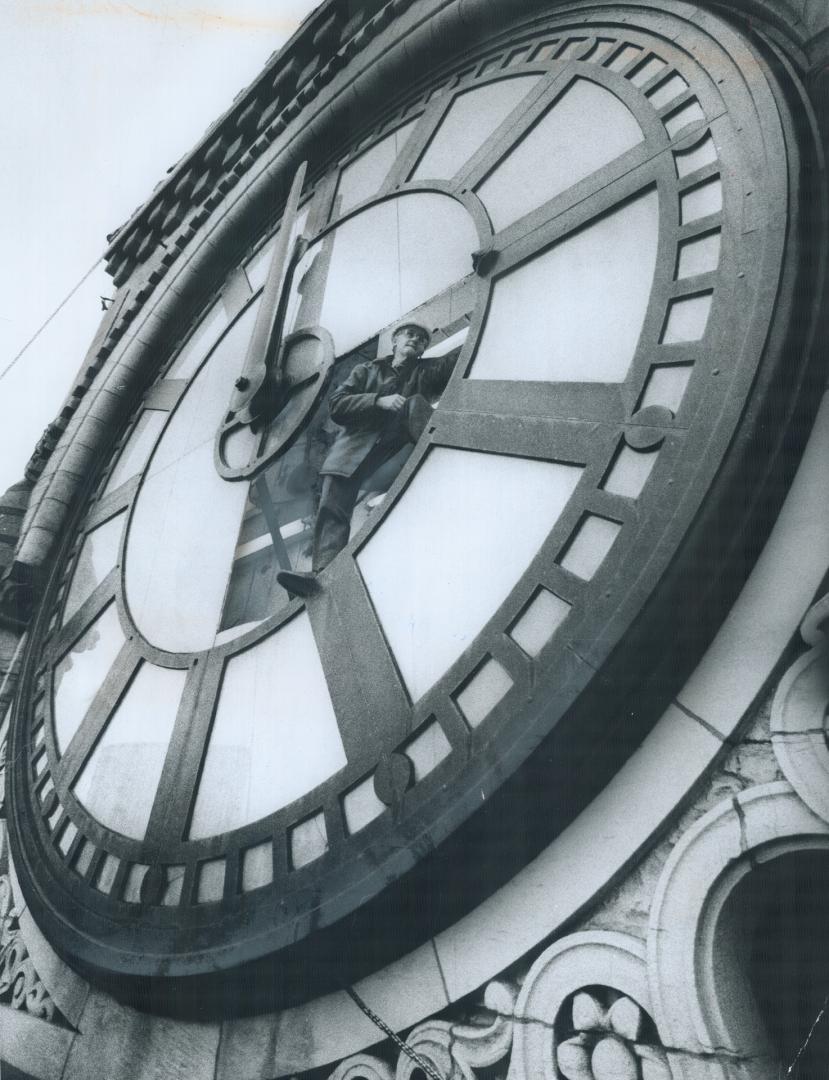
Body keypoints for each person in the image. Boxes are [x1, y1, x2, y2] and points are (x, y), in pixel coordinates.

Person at [277, 321, 455, 596]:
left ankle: (447, 454)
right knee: (332, 507)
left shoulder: (426, 371)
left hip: (393, 449)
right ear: (394, 341)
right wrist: (376, 401)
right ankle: (320, 577)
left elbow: (453, 361)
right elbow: (337, 404)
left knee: (415, 403)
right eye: (410, 334)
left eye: (422, 339)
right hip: (352, 451)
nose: (416, 340)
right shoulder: (366, 370)